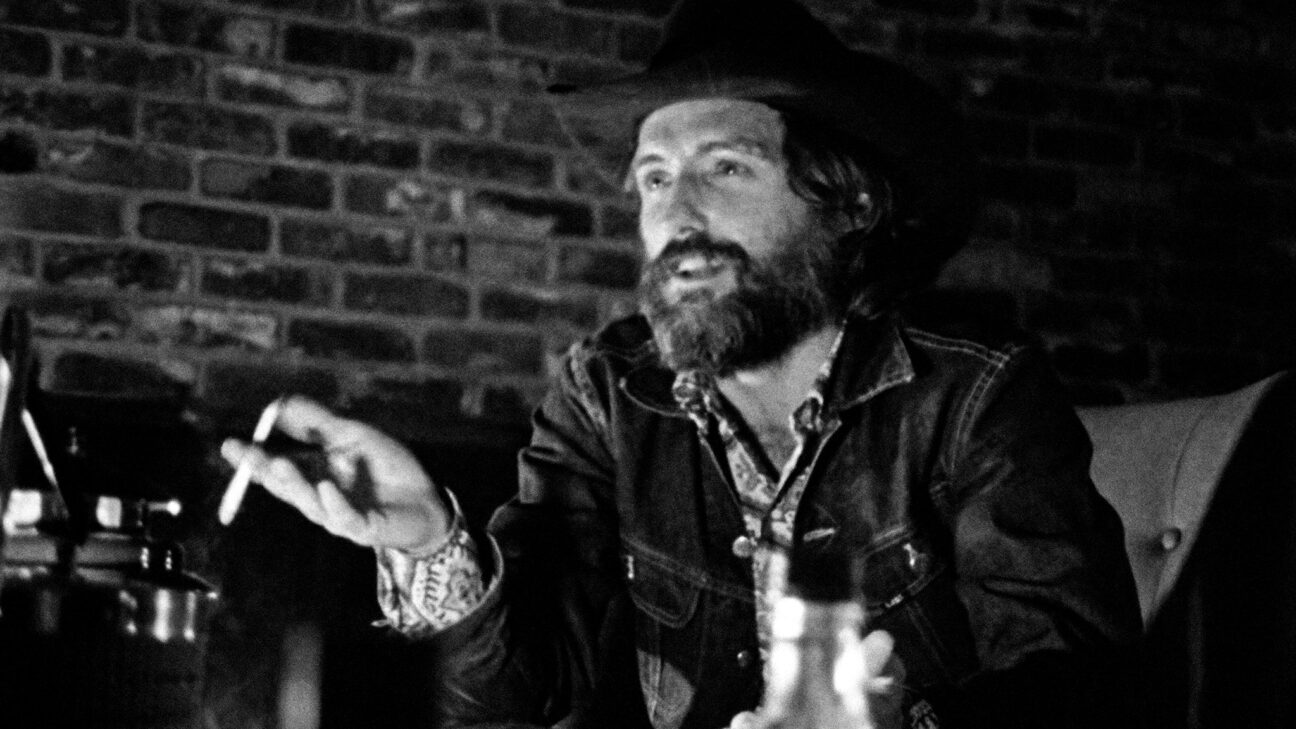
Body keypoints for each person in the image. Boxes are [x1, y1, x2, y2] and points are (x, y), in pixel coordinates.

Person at [220, 0, 1142, 727]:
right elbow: (515, 695)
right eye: (656, 178)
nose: (678, 216)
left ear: (848, 202)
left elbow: (1081, 692)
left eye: (726, 168)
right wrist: (428, 542)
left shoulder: (977, 392)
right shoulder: (606, 392)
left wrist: (904, 723)